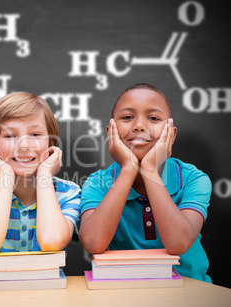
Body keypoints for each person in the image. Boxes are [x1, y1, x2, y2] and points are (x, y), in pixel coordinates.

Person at [79, 83, 211, 282]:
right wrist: (128, 169)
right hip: (122, 293)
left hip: (189, 293)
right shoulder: (97, 183)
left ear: (172, 134)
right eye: (127, 117)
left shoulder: (193, 179)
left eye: (153, 118)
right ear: (110, 132)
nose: (139, 126)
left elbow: (178, 243)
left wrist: (149, 169)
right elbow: (93, 243)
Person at [0, 91, 81, 260]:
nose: (24, 145)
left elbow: (52, 241)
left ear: (51, 142)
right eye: (10, 136)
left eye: (35, 135)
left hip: (49, 286)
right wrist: (5, 177)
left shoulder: (68, 193)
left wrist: (44, 176)